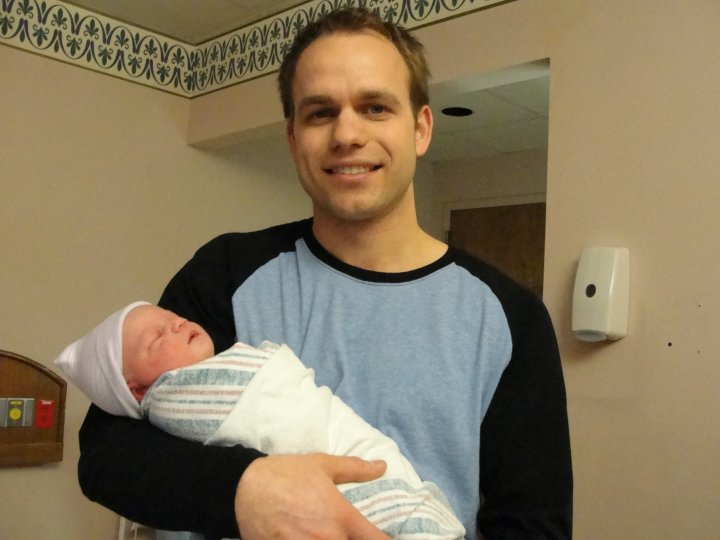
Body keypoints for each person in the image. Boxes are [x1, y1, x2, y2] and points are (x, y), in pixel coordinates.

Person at [77, 7, 572, 540]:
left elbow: (534, 527)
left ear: (421, 128)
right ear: (293, 138)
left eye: (375, 107)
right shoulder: (225, 274)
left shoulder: (510, 319)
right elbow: (107, 455)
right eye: (320, 113)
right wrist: (246, 490)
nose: (347, 134)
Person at [55, 301, 465, 539]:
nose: (176, 323)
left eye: (170, 317)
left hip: (380, 467)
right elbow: (102, 460)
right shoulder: (175, 396)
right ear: (139, 390)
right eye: (157, 337)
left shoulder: (492, 306)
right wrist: (245, 486)